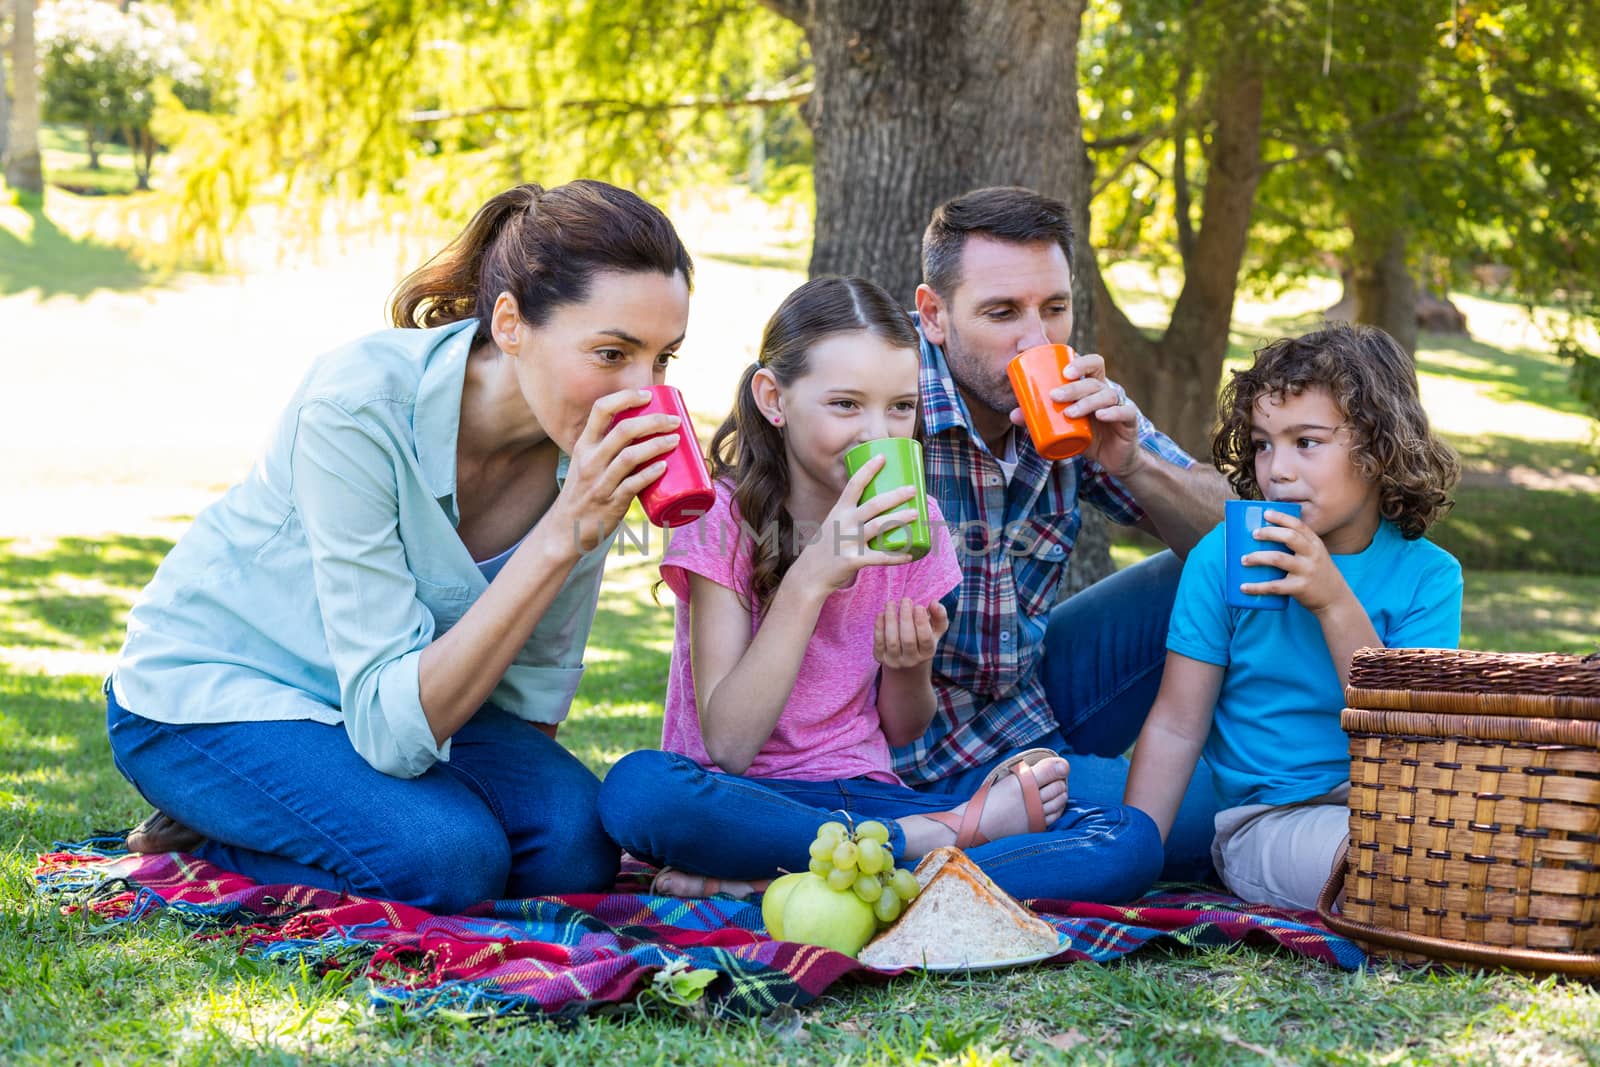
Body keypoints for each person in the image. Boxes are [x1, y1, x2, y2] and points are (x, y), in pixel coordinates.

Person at [106, 180, 696, 912]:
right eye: (612, 352)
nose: (642, 392)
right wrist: (561, 534)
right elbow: (391, 734)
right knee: (447, 861)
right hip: (222, 689)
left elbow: (529, 687)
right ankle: (221, 831)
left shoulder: (579, 446)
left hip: (394, 702)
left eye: (663, 358)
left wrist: (520, 806)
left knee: (575, 849)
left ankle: (332, 818)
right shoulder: (357, 406)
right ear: (510, 323)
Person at [598, 276, 1161, 904]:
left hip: (865, 791)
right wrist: (811, 578)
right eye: (845, 405)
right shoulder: (725, 518)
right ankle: (923, 848)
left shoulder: (914, 524)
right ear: (772, 398)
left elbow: (902, 728)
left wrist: (909, 665)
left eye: (900, 407)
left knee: (1126, 837)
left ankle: (780, 886)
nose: (879, 433)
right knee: (639, 789)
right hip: (743, 804)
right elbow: (728, 746)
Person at [898, 185, 1227, 880]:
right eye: (1002, 312)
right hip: (924, 757)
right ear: (933, 314)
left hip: (1034, 701)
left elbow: (1243, 531)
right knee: (1207, 819)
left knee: (1208, 564)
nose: (1036, 340)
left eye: (1054, 308)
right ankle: (959, 835)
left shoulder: (1074, 398)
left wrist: (1132, 461)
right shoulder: (882, 405)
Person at [1123, 323, 1463, 910]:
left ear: (1379, 449)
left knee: (1496, 841)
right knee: (1391, 867)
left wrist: (1333, 600)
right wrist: (1129, 853)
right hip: (1270, 821)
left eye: (1306, 442)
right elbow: (1177, 725)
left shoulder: (1429, 576)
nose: (1276, 469)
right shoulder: (1224, 560)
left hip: (1399, 804)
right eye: (1262, 443)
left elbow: (1414, 732)